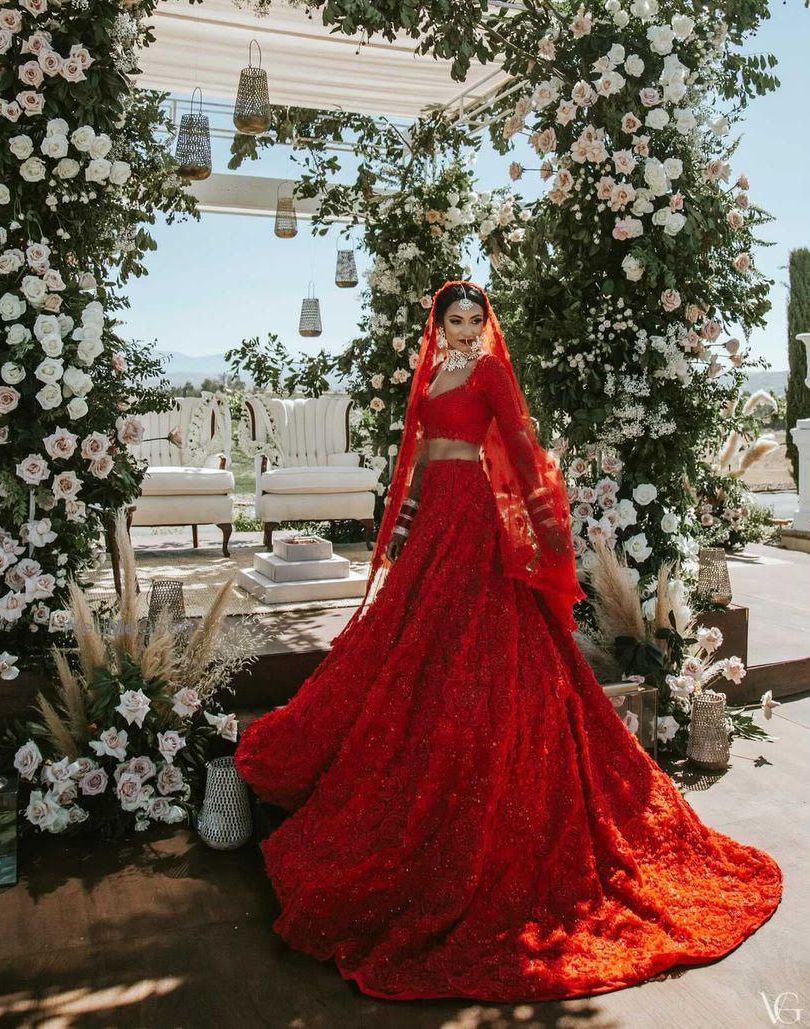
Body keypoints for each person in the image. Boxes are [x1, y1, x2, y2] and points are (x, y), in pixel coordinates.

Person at [234, 280, 782, 1002]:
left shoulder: (490, 372)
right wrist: (401, 531)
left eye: (472, 321)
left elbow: (522, 451)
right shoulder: (431, 375)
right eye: (452, 321)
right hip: (437, 526)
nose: (463, 331)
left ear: (485, 325)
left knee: (488, 662)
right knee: (407, 654)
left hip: (480, 531)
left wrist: (550, 544)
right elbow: (423, 461)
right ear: (438, 326)